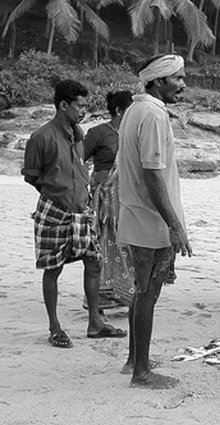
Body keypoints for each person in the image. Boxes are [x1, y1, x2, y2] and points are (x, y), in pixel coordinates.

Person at [22, 79, 126, 349]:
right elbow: (31, 177)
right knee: (52, 268)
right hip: (55, 210)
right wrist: (57, 192)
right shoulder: (40, 138)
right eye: (79, 106)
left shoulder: (77, 134)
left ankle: (95, 322)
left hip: (82, 209)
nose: (84, 111)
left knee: (93, 262)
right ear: (63, 105)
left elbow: (80, 164)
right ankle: (55, 327)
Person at [117, 54, 192, 389]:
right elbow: (152, 175)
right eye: (178, 77)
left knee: (141, 290)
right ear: (159, 80)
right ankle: (141, 372)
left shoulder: (135, 109)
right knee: (148, 293)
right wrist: (175, 225)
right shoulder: (152, 114)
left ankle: (135, 359)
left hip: (138, 216)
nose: (183, 84)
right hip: (150, 222)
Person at [84, 91, 135, 309]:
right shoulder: (98, 133)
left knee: (126, 245)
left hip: (126, 200)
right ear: (119, 111)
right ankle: (102, 295)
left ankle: (123, 293)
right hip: (104, 201)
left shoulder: (133, 134)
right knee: (103, 245)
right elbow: (79, 159)